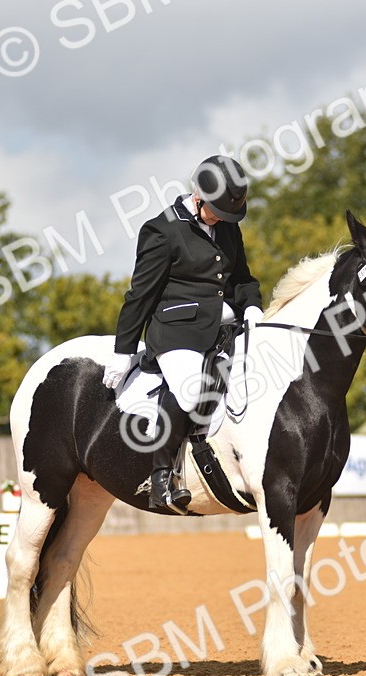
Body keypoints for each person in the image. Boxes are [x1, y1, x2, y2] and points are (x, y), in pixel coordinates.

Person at [103, 155, 264, 511]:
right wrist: (123, 348)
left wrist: (252, 305)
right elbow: (140, 294)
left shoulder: (226, 227)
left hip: (226, 328)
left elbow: (241, 279)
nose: (222, 219)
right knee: (190, 390)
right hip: (177, 331)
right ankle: (161, 476)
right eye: (217, 211)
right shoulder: (162, 230)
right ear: (198, 197)